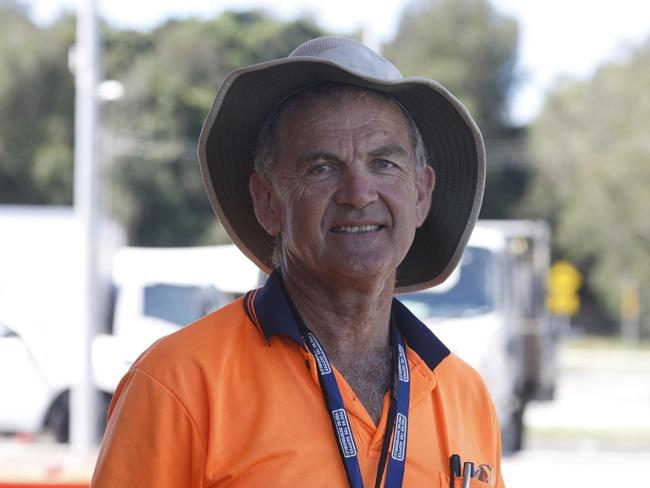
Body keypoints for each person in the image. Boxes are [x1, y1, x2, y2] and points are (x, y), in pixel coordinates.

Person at [92, 37, 504, 487]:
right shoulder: (179, 382)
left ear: (422, 194)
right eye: (322, 167)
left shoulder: (464, 395)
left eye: (384, 163)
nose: (358, 193)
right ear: (266, 201)